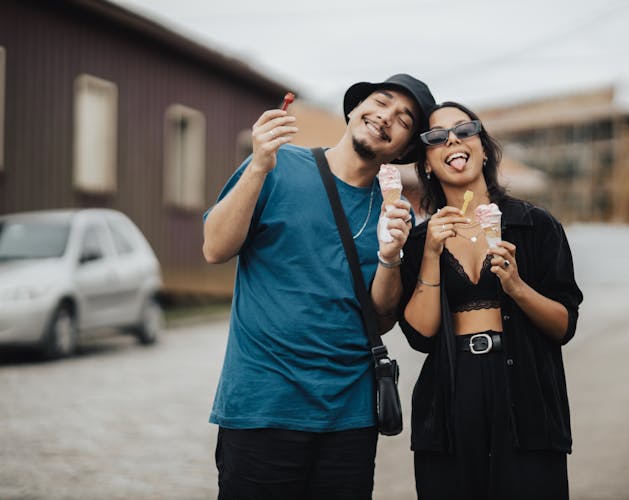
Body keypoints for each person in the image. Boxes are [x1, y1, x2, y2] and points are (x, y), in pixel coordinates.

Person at [202, 74, 435, 500]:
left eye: (404, 119)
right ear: (353, 109)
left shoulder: (394, 212)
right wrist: (257, 166)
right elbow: (215, 248)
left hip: (350, 417)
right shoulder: (277, 165)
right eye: (380, 102)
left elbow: (381, 320)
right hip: (263, 407)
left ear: (404, 149)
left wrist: (390, 256)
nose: (386, 117)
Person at [398, 102, 583, 499]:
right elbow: (421, 336)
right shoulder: (418, 242)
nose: (452, 139)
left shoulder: (536, 225)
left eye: (465, 130)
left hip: (525, 394)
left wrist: (516, 286)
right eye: (436, 136)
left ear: (483, 149)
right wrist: (431, 254)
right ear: (427, 164)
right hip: (451, 395)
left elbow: (564, 325)